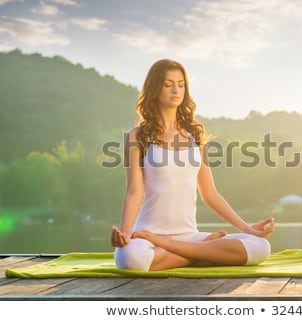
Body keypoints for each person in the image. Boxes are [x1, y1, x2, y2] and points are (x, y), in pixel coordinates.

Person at [110, 59, 275, 271]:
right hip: (148, 236)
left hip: (189, 235)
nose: (175, 89)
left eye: (180, 84)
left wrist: (246, 228)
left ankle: (175, 248)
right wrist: (124, 233)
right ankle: (201, 253)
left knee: (260, 246)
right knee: (129, 258)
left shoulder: (194, 135)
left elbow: (210, 193)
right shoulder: (138, 136)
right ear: (154, 88)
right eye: (168, 84)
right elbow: (134, 191)